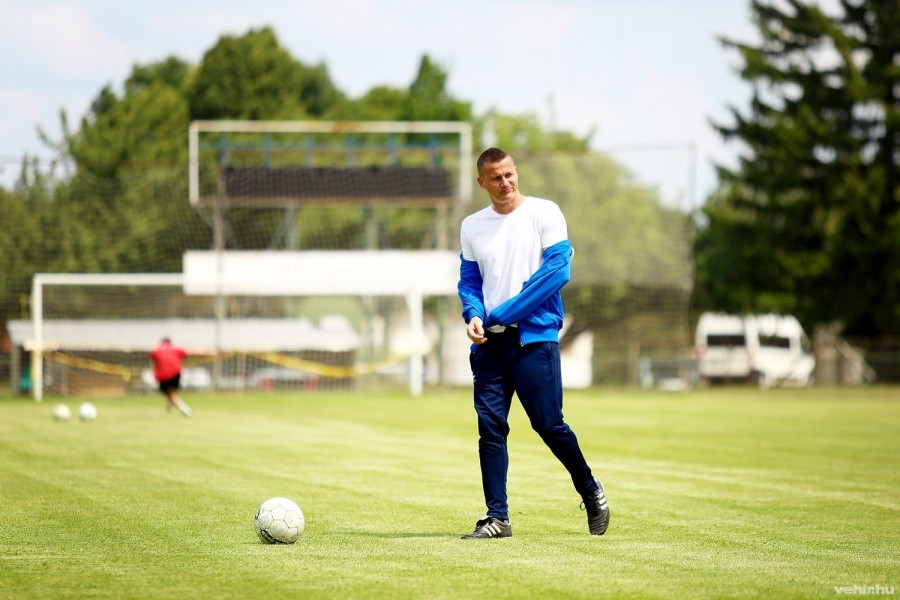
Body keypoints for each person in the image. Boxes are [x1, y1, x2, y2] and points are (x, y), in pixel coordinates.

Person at [456, 147, 609, 539]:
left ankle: (590, 489)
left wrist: (502, 313)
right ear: (481, 182)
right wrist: (474, 315)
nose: (505, 183)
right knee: (490, 428)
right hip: (489, 346)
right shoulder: (472, 226)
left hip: (534, 340)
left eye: (509, 174)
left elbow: (558, 271)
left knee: (548, 423)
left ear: (516, 172)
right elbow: (470, 282)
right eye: (495, 178)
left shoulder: (545, 212)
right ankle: (497, 518)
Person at [150, 338, 192, 417]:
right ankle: (172, 401)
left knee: (169, 393)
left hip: (163, 375)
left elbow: (154, 359)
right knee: (172, 392)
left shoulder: (156, 350)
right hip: (176, 372)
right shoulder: (176, 348)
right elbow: (185, 353)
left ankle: (183, 408)